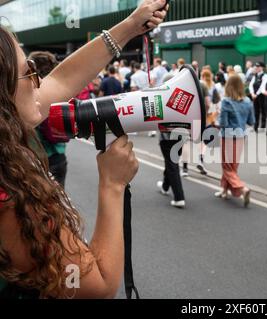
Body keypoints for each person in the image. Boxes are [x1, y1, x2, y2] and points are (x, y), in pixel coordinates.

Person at [0, 0, 167, 298]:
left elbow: (63, 79)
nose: (40, 82)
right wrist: (112, 184)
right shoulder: (9, 202)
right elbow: (97, 286)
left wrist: (130, 25)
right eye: (29, 73)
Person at [28, 51, 69, 189]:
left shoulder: (29, 94)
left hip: (34, 158)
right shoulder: (61, 93)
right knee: (59, 204)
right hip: (57, 155)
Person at [216, 75, 254, 207]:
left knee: (227, 167)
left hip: (227, 136)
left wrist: (216, 123)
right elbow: (251, 121)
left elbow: (223, 123)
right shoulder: (248, 101)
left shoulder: (226, 101)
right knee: (232, 167)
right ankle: (225, 191)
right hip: (240, 137)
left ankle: (243, 189)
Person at [249, 62, 267, 132]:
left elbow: (262, 86)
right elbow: (251, 85)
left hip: (261, 96)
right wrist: (252, 93)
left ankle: (262, 127)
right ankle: (256, 127)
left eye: (258, 66)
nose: (256, 68)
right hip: (254, 96)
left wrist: (256, 94)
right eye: (256, 66)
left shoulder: (265, 76)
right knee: (256, 112)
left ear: (262, 67)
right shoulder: (255, 75)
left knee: (263, 112)